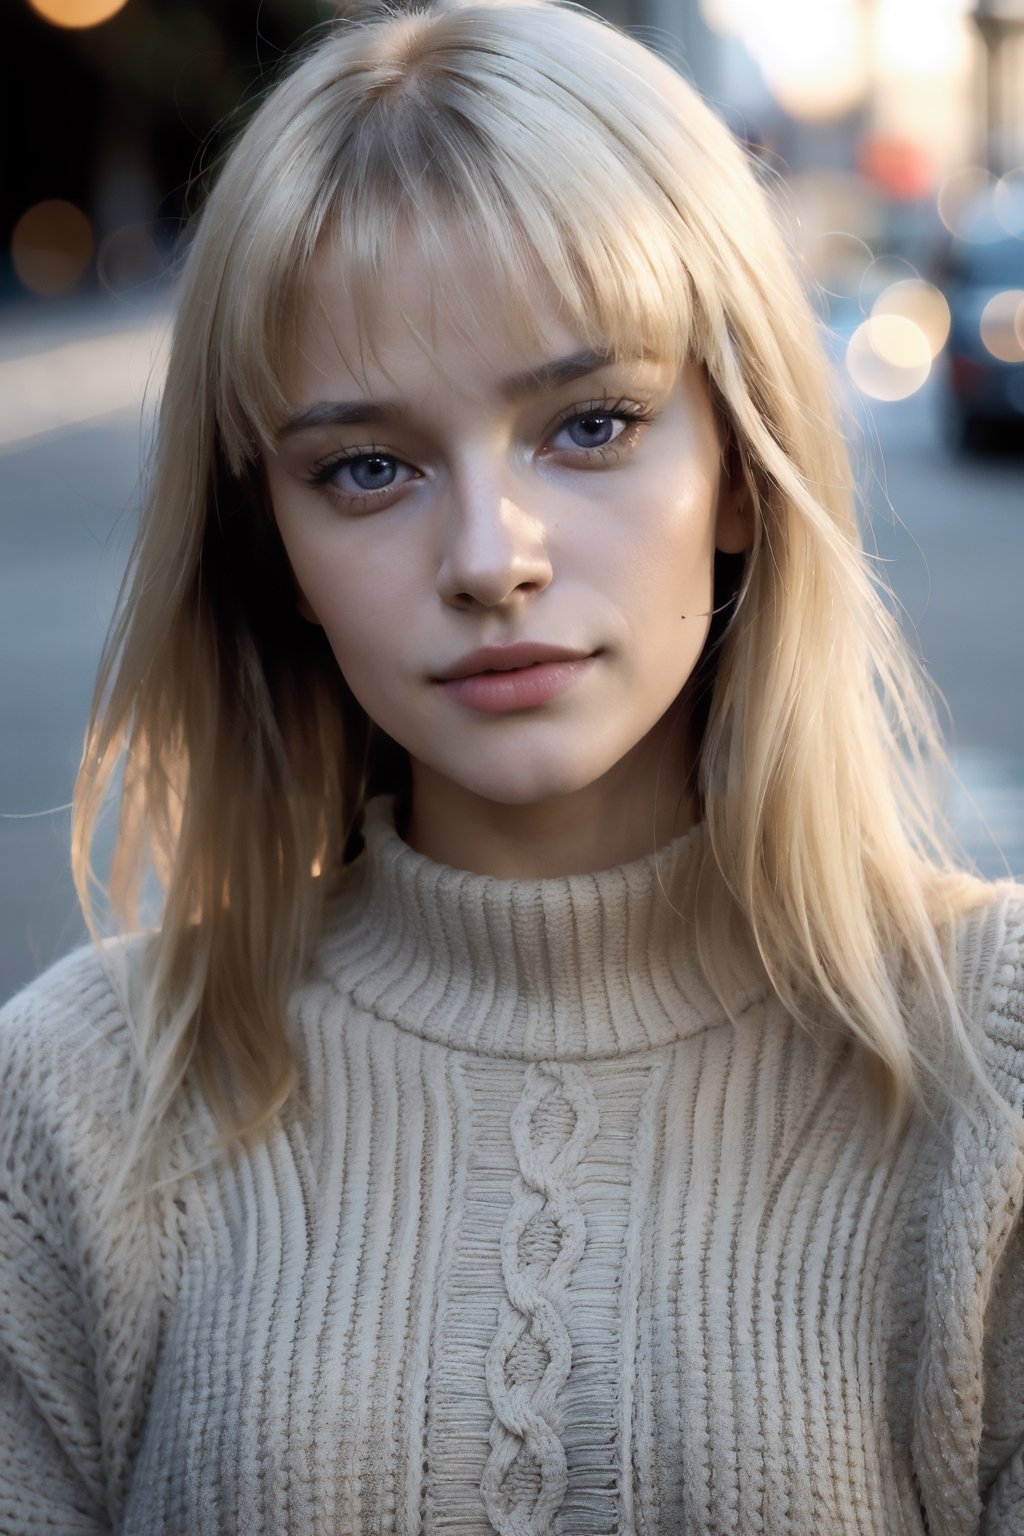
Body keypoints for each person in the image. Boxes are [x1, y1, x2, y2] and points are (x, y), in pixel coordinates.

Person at [2, 1, 1022, 1531]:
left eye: (591, 425)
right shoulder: (71, 1105)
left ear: (741, 466)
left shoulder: (993, 1067)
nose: (492, 560)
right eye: (367, 467)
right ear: (271, 544)